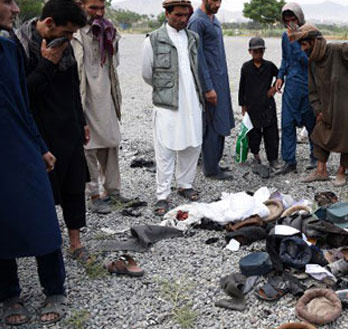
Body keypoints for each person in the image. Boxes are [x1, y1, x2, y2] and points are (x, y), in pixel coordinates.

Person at [1, 0, 67, 325]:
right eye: (7, 1)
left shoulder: (9, 47)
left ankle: (54, 288)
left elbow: (22, 103)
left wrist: (40, 146)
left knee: (40, 212)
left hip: (20, 144)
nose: (15, 9)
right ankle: (9, 294)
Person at [13, 0, 91, 262]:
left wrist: (82, 121)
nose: (69, 39)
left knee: (74, 186)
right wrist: (46, 65)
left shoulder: (64, 48)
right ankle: (45, 247)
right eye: (67, 32)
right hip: (40, 133)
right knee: (42, 193)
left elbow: (72, 85)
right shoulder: (18, 47)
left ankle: (75, 242)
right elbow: (22, 95)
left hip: (68, 127)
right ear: (48, 23)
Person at [142, 0, 205, 216]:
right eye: (178, 15)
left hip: (192, 101)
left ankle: (185, 184)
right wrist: (167, 90)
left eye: (186, 15)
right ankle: (163, 194)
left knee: (192, 143)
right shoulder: (153, 39)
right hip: (168, 103)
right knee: (165, 148)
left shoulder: (193, 38)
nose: (183, 19)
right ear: (167, 14)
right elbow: (147, 74)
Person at [292, 25, 348, 187]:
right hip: (329, 107)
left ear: (314, 42)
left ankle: (341, 172)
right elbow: (313, 89)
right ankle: (321, 170)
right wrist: (318, 109)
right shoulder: (313, 62)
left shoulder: (339, 50)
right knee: (319, 134)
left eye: (305, 45)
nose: (303, 50)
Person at [72, 0, 128, 215]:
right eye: (93, 7)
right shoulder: (74, 33)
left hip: (106, 95)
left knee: (112, 142)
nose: (98, 12)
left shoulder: (108, 30)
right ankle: (93, 194)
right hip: (83, 97)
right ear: (81, 5)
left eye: (101, 8)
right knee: (88, 147)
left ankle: (112, 190)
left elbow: (115, 64)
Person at [188, 0, 234, 180]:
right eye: (214, 0)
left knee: (221, 121)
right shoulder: (197, 21)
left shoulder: (213, 19)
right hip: (210, 84)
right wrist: (207, 88)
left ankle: (214, 162)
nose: (218, 4)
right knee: (212, 125)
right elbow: (197, 58)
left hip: (220, 80)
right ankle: (210, 169)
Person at [274, 2, 317, 175]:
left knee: (312, 124)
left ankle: (316, 158)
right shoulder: (285, 36)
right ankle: (289, 161)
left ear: (300, 18)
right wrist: (279, 76)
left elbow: (311, 63)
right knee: (287, 124)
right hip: (291, 87)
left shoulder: (311, 35)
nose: (291, 22)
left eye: (294, 18)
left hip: (307, 86)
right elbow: (285, 59)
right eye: (287, 19)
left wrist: (297, 42)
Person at [238, 37, 280, 167]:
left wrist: (274, 88)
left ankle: (273, 159)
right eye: (255, 51)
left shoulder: (269, 65)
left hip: (267, 105)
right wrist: (243, 106)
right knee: (254, 134)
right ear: (250, 51)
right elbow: (241, 87)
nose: (258, 54)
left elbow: (280, 76)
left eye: (261, 51)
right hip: (252, 106)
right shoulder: (246, 67)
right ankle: (256, 155)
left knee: (271, 134)